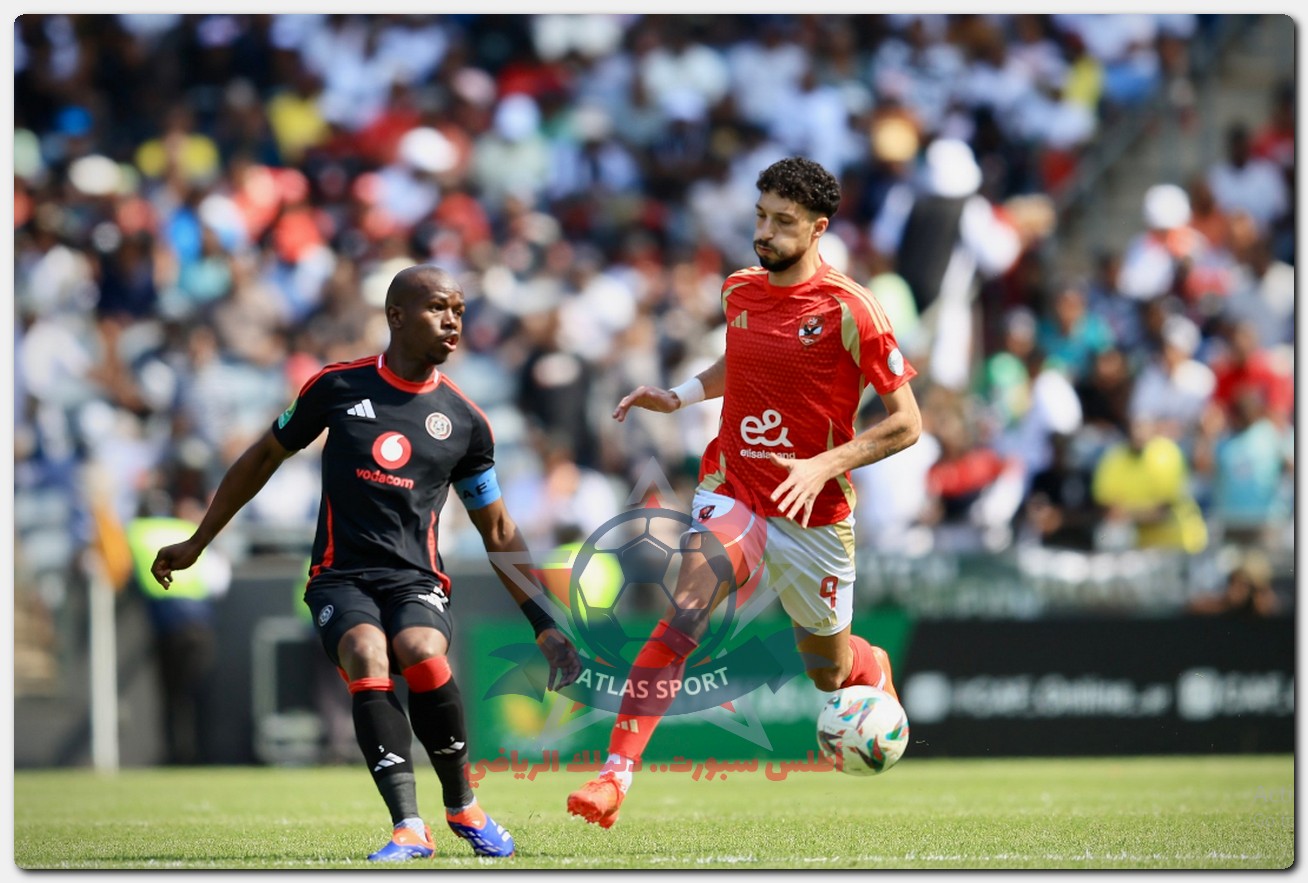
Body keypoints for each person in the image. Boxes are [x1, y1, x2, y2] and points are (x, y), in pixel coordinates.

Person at [151, 264, 581, 861]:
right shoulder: (336, 387)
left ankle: (462, 805)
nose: (453, 321)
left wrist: (545, 623)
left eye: (458, 309)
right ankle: (408, 826)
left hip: (416, 580)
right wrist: (200, 540)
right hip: (339, 576)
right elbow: (261, 458)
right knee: (366, 652)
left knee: (424, 653)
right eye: (437, 308)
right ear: (396, 316)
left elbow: (500, 529)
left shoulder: (466, 423)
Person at [567, 157, 922, 827]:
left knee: (829, 669)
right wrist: (678, 395)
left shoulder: (852, 309)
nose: (765, 232)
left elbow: (908, 422)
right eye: (760, 216)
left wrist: (824, 464)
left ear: (817, 229)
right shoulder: (739, 289)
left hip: (815, 513)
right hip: (733, 489)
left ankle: (869, 664)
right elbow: (739, 359)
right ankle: (614, 775)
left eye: (783, 222)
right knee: (687, 613)